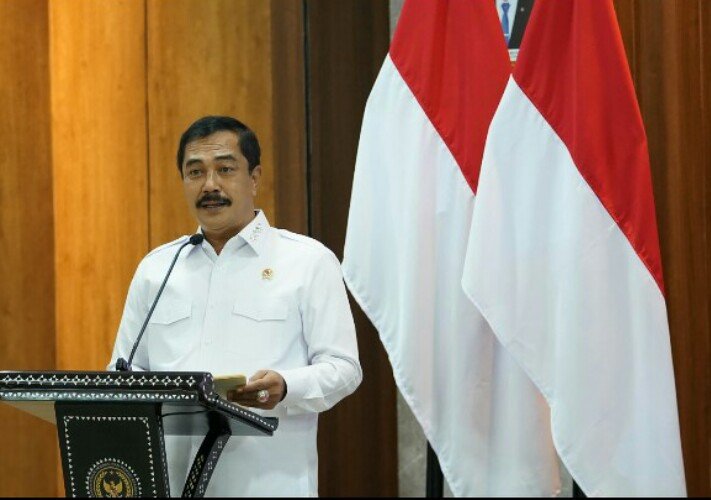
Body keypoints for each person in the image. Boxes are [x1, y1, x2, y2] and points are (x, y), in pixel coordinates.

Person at [108, 115, 362, 497]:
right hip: (172, 484)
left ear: (254, 178)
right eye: (195, 172)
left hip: (268, 485)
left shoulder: (308, 261)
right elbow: (124, 371)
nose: (210, 185)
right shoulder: (157, 269)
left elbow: (344, 368)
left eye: (225, 169)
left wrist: (286, 386)